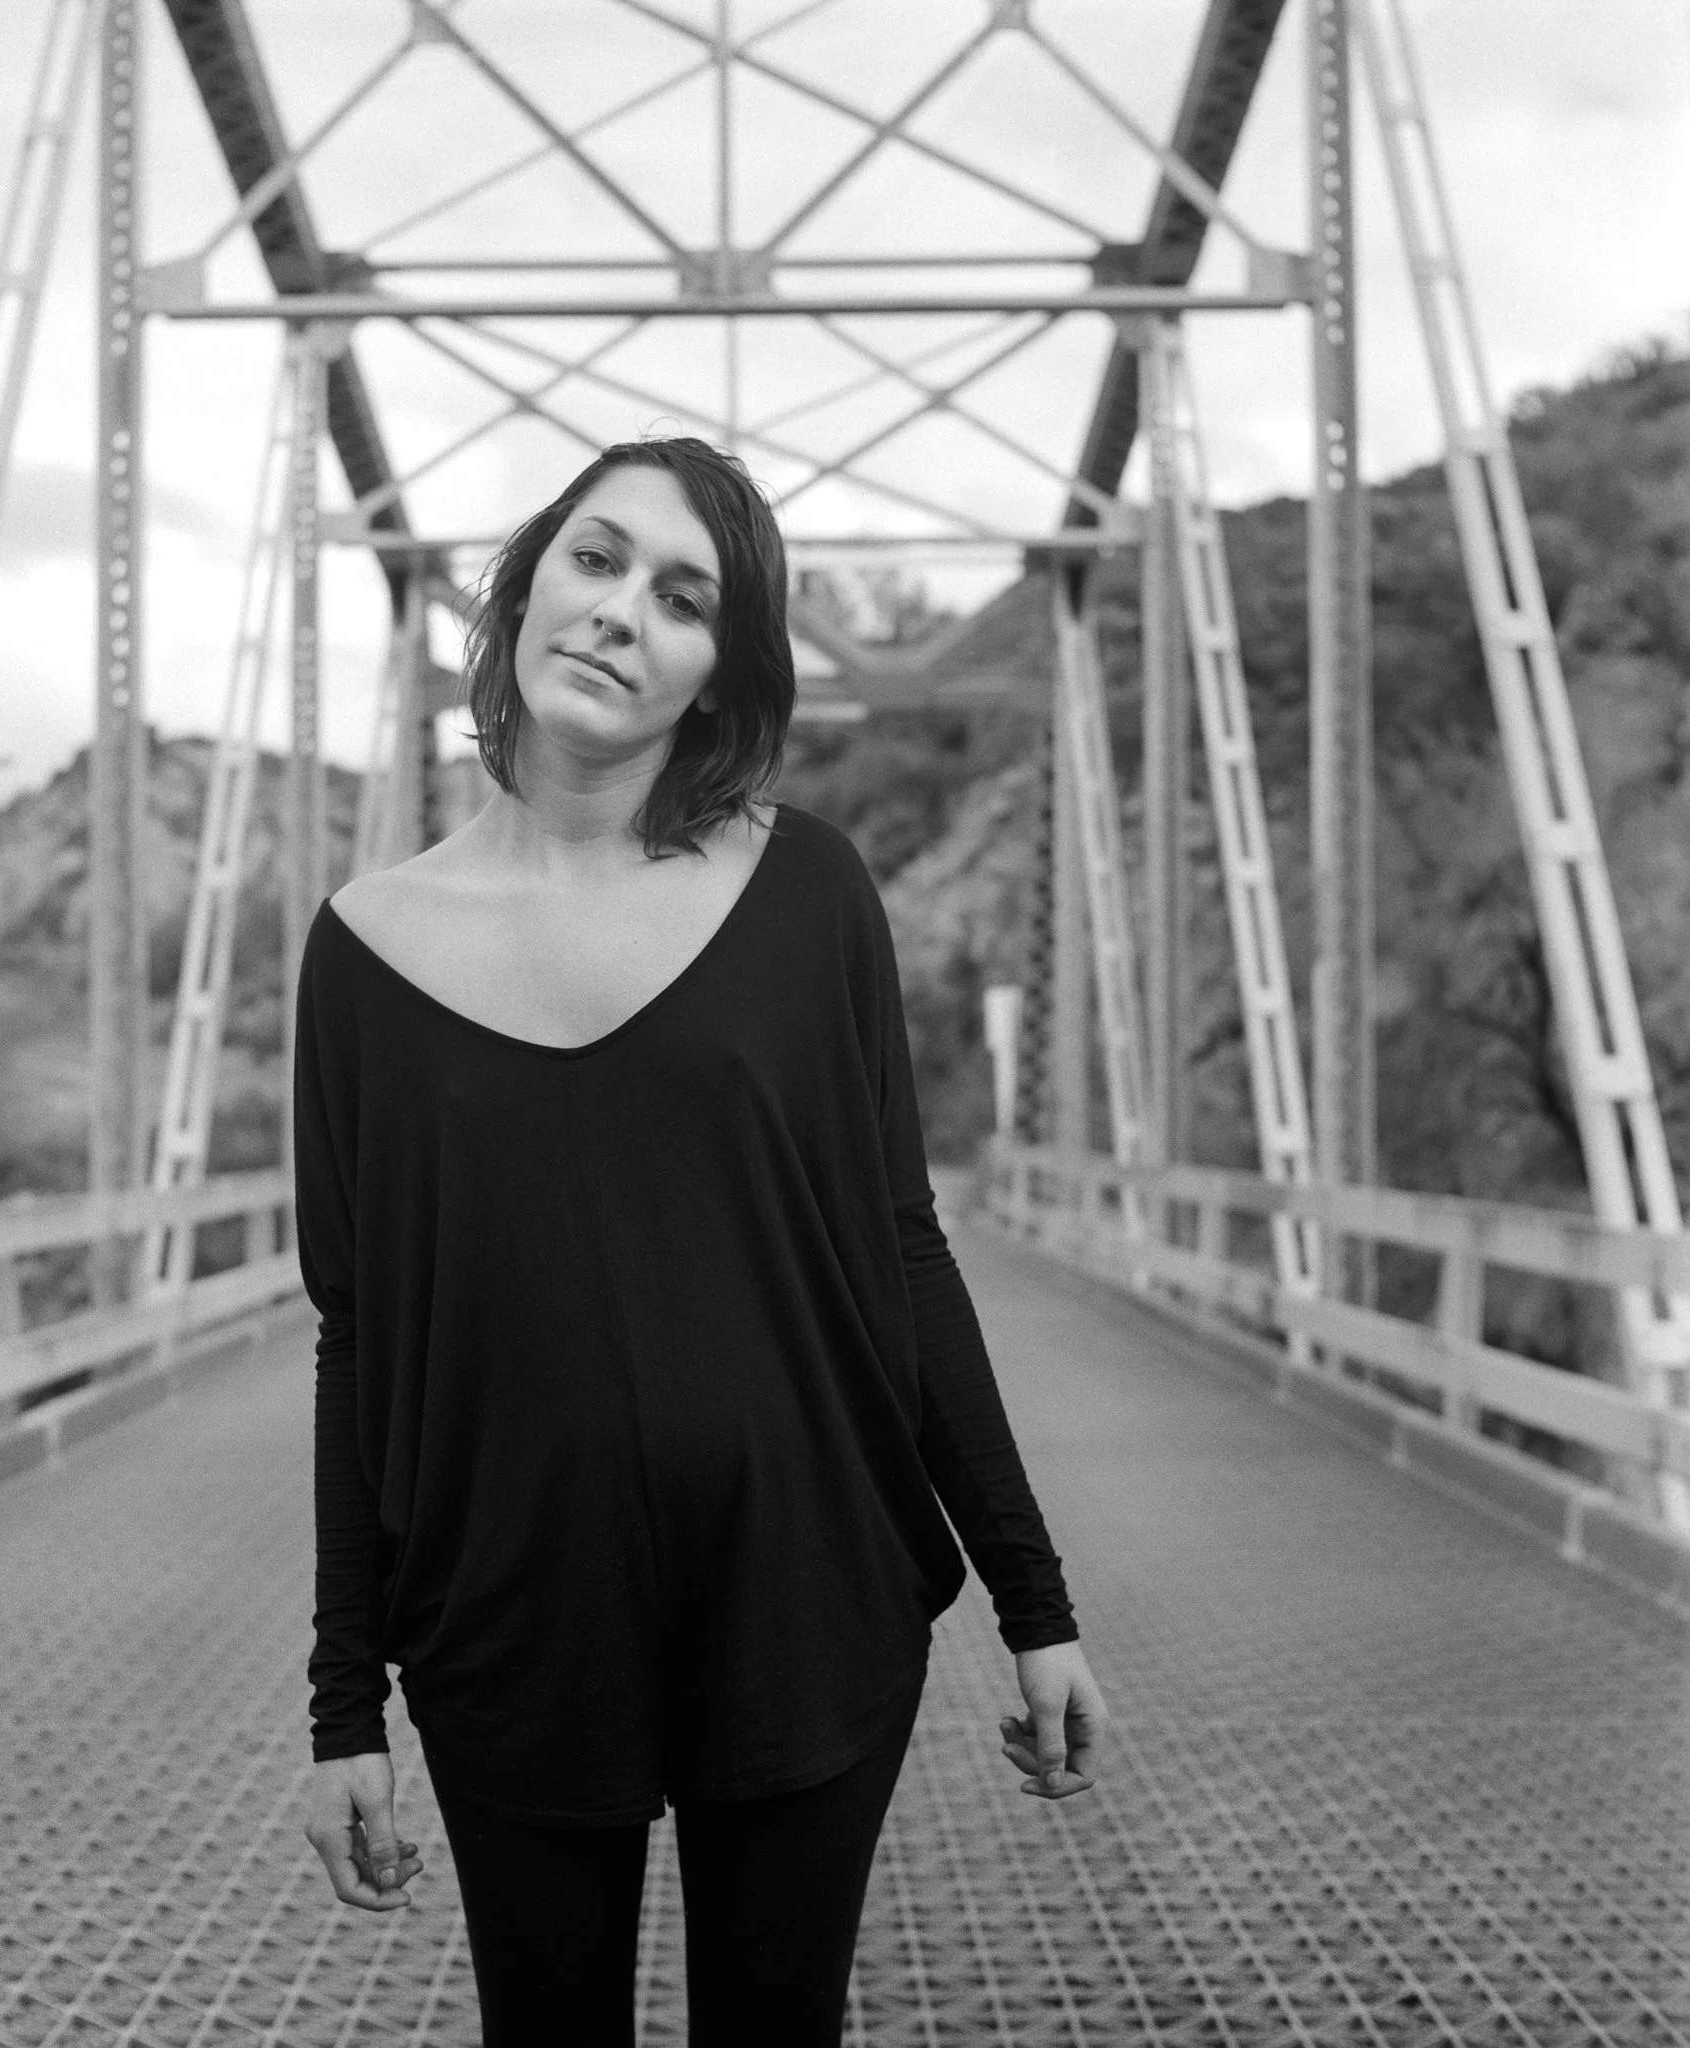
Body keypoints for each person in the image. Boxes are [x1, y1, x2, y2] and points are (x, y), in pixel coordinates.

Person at [293, 435, 1106, 2045]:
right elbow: (357, 1338)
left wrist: (1036, 1605)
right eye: (595, 560)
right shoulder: (364, 950)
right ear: (525, 586)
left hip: (803, 1587)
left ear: (717, 673)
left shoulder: (807, 889)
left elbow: (902, 1249)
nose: (620, 612)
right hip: (510, 1614)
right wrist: (343, 1707)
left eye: (683, 598)